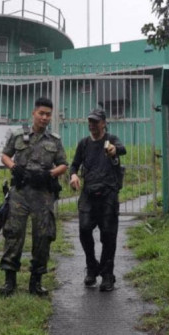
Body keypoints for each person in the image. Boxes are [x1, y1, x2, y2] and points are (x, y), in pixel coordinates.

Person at [0, 97, 68, 297]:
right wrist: (14, 167)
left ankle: (36, 282)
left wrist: (50, 174)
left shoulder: (54, 140)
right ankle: (9, 281)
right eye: (41, 113)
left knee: (43, 237)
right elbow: (5, 155)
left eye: (48, 115)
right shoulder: (18, 136)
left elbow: (64, 164)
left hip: (43, 195)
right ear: (34, 113)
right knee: (13, 234)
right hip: (20, 193)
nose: (45, 118)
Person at [69, 108, 126, 292]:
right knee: (84, 230)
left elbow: (121, 149)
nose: (92, 125)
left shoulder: (111, 140)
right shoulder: (84, 143)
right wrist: (73, 176)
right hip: (88, 194)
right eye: (90, 121)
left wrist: (113, 151)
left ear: (104, 123)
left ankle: (107, 275)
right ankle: (92, 268)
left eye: (96, 121)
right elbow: (74, 165)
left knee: (108, 235)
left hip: (108, 193)